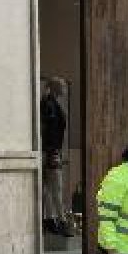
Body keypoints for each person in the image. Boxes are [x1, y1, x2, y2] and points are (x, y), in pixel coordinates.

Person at [40, 77, 71, 236]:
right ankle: (61, 221)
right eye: (62, 85)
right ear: (54, 88)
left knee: (49, 188)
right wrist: (53, 153)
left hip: (51, 152)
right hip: (50, 153)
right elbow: (49, 132)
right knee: (55, 187)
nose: (65, 88)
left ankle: (52, 220)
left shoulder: (51, 104)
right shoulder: (49, 105)